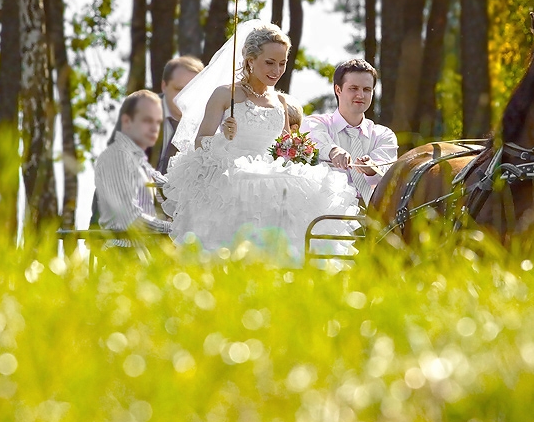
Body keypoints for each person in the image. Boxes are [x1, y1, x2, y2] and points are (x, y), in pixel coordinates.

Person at [161, 20, 359, 258]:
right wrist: (223, 137)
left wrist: (300, 150)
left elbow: (284, 147)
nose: (276, 70)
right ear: (250, 60)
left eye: (282, 63)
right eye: (270, 63)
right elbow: (200, 141)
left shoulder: (281, 102)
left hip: (274, 180)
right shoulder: (225, 94)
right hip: (232, 178)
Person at [300, 59, 398, 205]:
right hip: (327, 215)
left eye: (366, 90)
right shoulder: (317, 123)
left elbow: (388, 176)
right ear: (338, 90)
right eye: (353, 88)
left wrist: (372, 169)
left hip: (375, 217)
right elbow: (315, 140)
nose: (360, 95)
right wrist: (333, 151)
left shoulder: (384, 135)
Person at [94, 90, 171, 248]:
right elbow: (131, 219)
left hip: (141, 251)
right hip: (123, 251)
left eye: (157, 122)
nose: (154, 128)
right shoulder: (117, 157)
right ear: (127, 121)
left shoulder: (137, 160)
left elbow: (169, 185)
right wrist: (173, 228)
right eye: (147, 121)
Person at [148, 55, 204, 174]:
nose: (185, 96)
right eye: (179, 89)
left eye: (192, 90)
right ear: (164, 86)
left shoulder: (210, 121)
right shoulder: (142, 114)